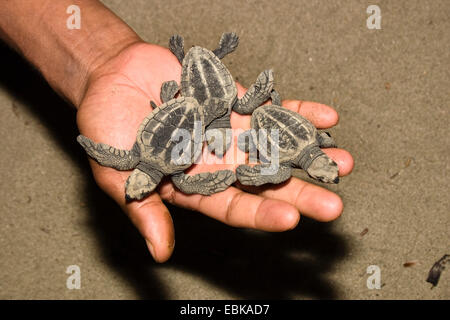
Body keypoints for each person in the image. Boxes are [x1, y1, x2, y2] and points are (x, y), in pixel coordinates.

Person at [0, 0, 354, 262]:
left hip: (190, 111)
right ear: (147, 180)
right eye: (140, 188)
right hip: (191, 112)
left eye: (134, 185)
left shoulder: (158, 160)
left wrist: (245, 162)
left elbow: (241, 145)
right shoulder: (170, 169)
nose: (134, 189)